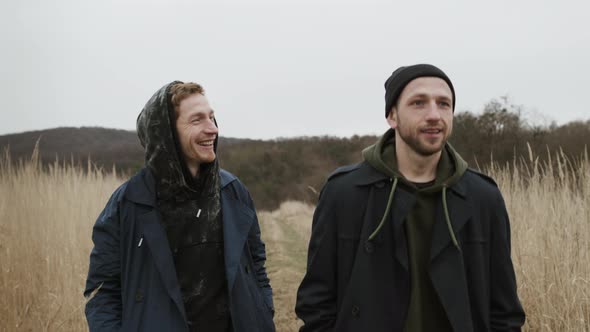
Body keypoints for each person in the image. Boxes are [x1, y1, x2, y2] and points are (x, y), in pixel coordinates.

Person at [295, 64, 525, 331]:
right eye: (418, 103)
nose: (434, 115)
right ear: (392, 115)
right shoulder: (345, 193)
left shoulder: (483, 198)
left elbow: (504, 312)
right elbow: (316, 303)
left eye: (444, 104)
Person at [84, 81, 275, 332]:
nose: (212, 129)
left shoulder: (232, 192)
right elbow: (102, 293)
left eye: (212, 117)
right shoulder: (128, 204)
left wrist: (262, 312)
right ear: (166, 134)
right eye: (197, 120)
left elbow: (256, 265)